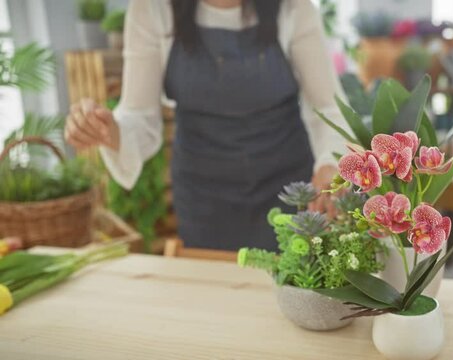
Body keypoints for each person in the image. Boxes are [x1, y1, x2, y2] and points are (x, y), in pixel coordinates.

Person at [64, 0, 347, 250]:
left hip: (290, 190)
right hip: (204, 200)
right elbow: (139, 116)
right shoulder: (152, 8)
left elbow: (328, 106)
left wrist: (330, 165)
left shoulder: (293, 7)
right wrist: (109, 130)